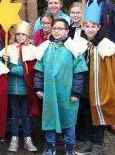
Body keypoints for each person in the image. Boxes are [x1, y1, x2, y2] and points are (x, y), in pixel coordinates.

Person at [75, 2, 115, 155]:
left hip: (99, 87)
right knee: (86, 115)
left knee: (99, 115)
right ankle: (88, 143)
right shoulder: (80, 42)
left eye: (93, 26)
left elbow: (111, 71)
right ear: (83, 27)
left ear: (98, 27)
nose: (89, 29)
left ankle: (97, 145)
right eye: (87, 26)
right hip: (84, 86)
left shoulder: (105, 45)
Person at [34, 18, 88, 155]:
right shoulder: (46, 47)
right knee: (50, 119)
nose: (56, 31)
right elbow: (39, 69)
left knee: (68, 120)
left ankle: (69, 149)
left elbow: (79, 72)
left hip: (67, 93)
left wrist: (76, 92)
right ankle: (50, 147)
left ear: (67, 31)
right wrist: (38, 88)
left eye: (60, 28)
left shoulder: (73, 49)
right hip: (49, 93)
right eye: (54, 28)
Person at [85, 0, 115, 134]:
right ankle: (90, 122)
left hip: (103, 48)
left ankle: (111, 119)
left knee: (107, 87)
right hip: (86, 47)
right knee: (89, 86)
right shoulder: (82, 3)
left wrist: (112, 49)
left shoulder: (109, 6)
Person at [1, 22, 39, 152]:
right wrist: (3, 59)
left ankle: (28, 138)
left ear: (27, 35)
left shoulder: (33, 50)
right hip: (12, 89)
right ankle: (14, 138)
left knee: (26, 114)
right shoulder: (8, 48)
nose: (20, 37)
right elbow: (1, 68)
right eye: (18, 34)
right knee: (14, 115)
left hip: (26, 89)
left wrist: (12, 69)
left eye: (23, 34)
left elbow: (30, 70)